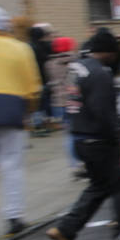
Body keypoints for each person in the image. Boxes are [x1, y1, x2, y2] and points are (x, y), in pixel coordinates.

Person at [45, 29, 120, 240]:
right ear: (107, 52)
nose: (115, 57)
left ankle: (65, 230)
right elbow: (103, 111)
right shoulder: (100, 74)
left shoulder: (77, 68)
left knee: (99, 186)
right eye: (113, 53)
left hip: (80, 136)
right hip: (100, 140)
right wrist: (119, 138)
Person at [0, 6, 42, 237]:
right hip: (13, 110)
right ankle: (13, 217)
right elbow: (33, 87)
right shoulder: (20, 48)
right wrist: (29, 111)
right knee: (12, 164)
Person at [44, 36, 84, 177]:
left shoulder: (49, 64)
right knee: (78, 131)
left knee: (68, 134)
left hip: (58, 102)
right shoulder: (75, 62)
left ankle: (73, 164)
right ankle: (81, 162)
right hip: (73, 100)